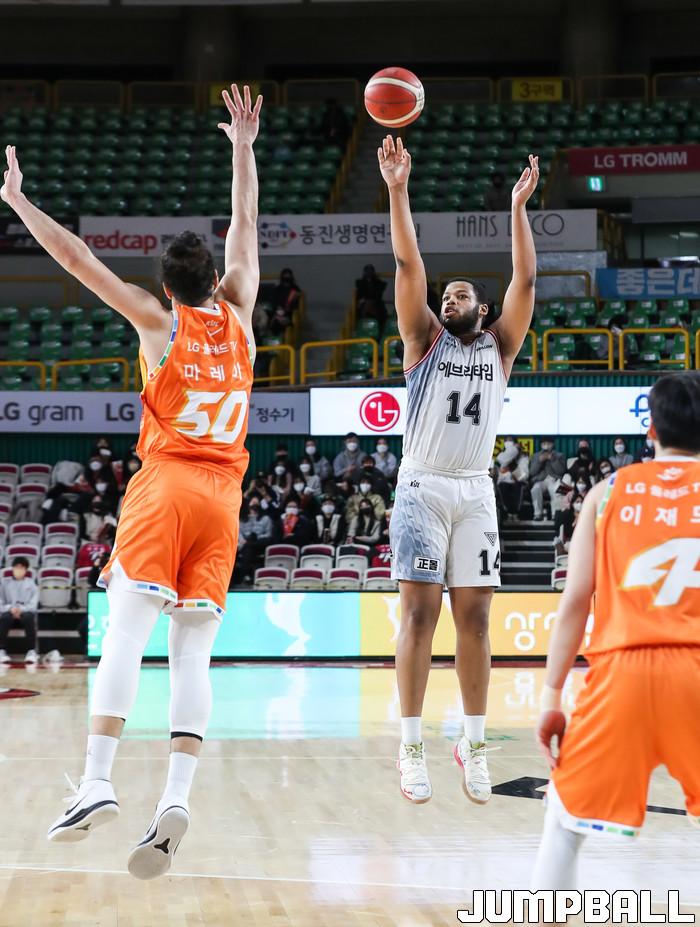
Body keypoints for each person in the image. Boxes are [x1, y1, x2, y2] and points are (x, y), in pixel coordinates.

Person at [1, 84, 263, 877]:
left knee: (124, 631)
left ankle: (96, 781)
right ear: (217, 276)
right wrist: (242, 148)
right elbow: (247, 225)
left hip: (168, 483)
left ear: (167, 284)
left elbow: (77, 260)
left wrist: (17, 201)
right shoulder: (242, 313)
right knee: (192, 656)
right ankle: (176, 796)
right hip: (224, 498)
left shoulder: (158, 321)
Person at [378, 133, 539, 804]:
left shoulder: (501, 345)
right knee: (419, 616)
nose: (450, 299)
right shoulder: (423, 340)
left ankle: (472, 745)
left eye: (462, 294)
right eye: (446, 295)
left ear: (483, 309)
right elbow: (407, 261)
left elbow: (525, 280)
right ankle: (411, 746)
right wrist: (397, 189)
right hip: (422, 484)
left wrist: (517, 208)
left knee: (475, 621)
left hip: (475, 491)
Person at [532, 371, 700, 890]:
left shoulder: (606, 494)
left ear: (651, 430)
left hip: (622, 675)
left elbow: (575, 602)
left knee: (563, 820)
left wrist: (551, 697)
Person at [0, 556, 39, 665]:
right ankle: (1, 650)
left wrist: (21, 609)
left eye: (21, 568)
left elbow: (33, 605)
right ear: (12, 568)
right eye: (16, 567)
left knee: (29, 617)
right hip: (9, 611)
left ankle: (31, 651)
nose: (18, 570)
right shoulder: (4, 583)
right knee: (5, 618)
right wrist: (10, 608)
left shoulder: (31, 584)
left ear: (26, 570)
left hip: (25, 612)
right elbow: (0, 602)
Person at [235, 498, 274, 584]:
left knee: (250, 542)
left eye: (256, 503)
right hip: (244, 544)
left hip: (259, 542)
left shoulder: (266, 518)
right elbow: (238, 532)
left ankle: (244, 574)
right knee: (248, 547)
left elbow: (268, 534)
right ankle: (244, 575)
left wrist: (257, 538)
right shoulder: (242, 519)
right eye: (253, 502)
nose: (254, 505)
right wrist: (243, 540)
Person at [530, 438, 567, 521]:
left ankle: (555, 514)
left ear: (552, 444)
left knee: (555, 490)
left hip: (554, 479)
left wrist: (552, 459)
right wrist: (539, 461)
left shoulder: (560, 455)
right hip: (541, 480)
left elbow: (561, 471)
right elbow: (532, 472)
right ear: (541, 445)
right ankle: (537, 514)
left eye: (548, 443)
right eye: (544, 443)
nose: (546, 445)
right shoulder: (535, 456)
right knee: (535, 489)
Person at [355, 264, 388, 330]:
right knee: (364, 306)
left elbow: (378, 294)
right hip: (364, 303)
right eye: (367, 271)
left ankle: (379, 329)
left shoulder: (378, 283)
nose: (369, 273)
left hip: (376, 303)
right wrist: (364, 300)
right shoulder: (360, 283)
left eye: (370, 271)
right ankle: (362, 326)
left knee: (378, 311)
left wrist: (371, 301)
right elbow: (360, 295)